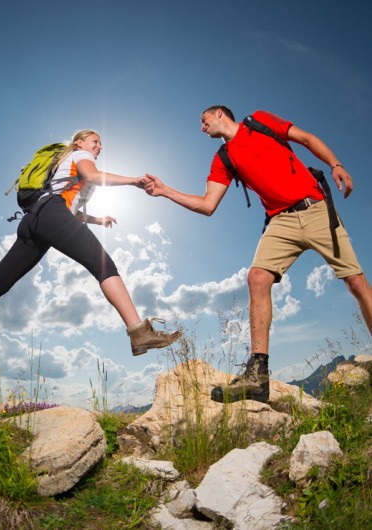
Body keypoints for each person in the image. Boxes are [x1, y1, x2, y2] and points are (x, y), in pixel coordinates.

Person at [145, 106, 372, 404]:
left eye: (204, 120)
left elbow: (305, 138)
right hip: (281, 221)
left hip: (315, 207)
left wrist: (335, 164)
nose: (202, 128)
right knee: (257, 278)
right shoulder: (223, 158)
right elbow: (207, 204)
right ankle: (257, 375)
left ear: (219, 115)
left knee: (355, 282)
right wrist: (165, 191)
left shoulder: (260, 121)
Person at [0, 129, 181, 376]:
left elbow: (70, 211)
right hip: (50, 213)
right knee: (104, 265)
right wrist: (134, 181)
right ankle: (139, 333)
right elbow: (92, 177)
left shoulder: (64, 167)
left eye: (101, 144)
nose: (98, 147)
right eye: (95, 141)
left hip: (35, 219)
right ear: (79, 142)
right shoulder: (80, 155)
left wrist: (97, 219)